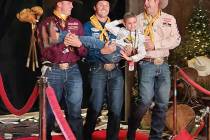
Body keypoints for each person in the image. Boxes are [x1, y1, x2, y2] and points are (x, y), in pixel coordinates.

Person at [126, 0, 181, 140]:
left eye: (149, 0)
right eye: (145, 1)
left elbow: (176, 39)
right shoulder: (137, 19)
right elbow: (130, 39)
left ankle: (155, 137)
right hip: (146, 64)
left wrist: (156, 45)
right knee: (145, 101)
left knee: (162, 103)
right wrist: (131, 47)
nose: (146, 3)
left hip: (163, 64)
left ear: (157, 2)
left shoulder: (169, 19)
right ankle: (131, 128)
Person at [37, 0, 87, 139]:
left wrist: (79, 45)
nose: (72, 5)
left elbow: (84, 52)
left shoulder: (76, 23)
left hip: (73, 71)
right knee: (49, 113)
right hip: (53, 71)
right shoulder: (46, 24)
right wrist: (62, 44)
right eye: (69, 3)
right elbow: (45, 52)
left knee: (75, 112)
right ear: (59, 4)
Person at [82, 0, 124, 139]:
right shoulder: (87, 26)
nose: (104, 7)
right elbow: (85, 50)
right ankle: (86, 136)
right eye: (100, 5)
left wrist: (126, 51)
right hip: (97, 69)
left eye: (107, 5)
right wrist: (102, 52)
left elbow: (122, 46)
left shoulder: (116, 27)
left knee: (116, 109)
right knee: (95, 107)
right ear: (94, 7)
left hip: (116, 71)